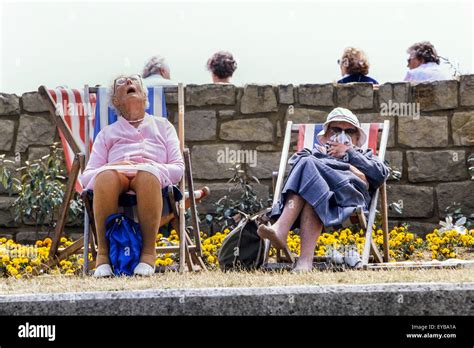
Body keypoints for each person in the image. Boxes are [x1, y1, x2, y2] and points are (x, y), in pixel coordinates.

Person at [257, 108, 389, 272]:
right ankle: (305, 263)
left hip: (348, 198)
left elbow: (380, 174)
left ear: (356, 137)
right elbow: (295, 165)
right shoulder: (311, 152)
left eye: (349, 131)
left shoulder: (364, 155)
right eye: (336, 129)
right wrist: (350, 168)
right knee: (313, 185)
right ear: (325, 135)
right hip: (322, 197)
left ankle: (281, 229)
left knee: (308, 165)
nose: (342, 135)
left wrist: (348, 155)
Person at [80, 74, 184, 277]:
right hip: (115, 181)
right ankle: (103, 257)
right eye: (121, 82)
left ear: (145, 96)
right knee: (105, 177)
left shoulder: (163, 126)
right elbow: (87, 178)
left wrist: (149, 166)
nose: (128, 82)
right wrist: (114, 166)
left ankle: (148, 255)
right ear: (115, 101)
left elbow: (178, 168)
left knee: (146, 175)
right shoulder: (107, 134)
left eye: (134, 80)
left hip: (153, 184)